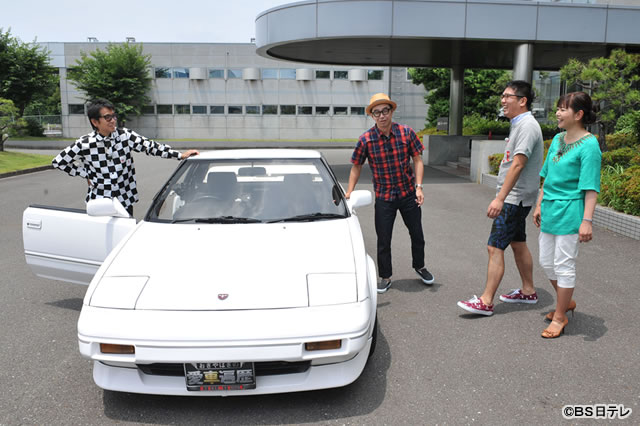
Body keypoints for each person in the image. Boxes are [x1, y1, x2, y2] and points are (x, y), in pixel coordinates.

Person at [457, 81, 544, 315]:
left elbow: (518, 164)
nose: (503, 100)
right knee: (518, 242)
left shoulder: (527, 126)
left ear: (522, 101)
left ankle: (486, 301)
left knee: (494, 247)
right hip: (518, 197)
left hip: (514, 198)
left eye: (507, 96)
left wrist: (500, 199)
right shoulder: (520, 124)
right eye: (502, 96)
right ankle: (528, 291)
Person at [346, 93, 434, 294]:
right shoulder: (366, 139)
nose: (382, 116)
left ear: (391, 111)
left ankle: (420, 266)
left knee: (417, 234)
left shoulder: (406, 133)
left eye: (385, 111)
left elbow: (417, 159)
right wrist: (349, 192)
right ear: (372, 116)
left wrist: (419, 187)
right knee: (383, 239)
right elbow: (356, 166)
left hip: (408, 194)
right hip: (384, 198)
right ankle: (385, 277)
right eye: (376, 112)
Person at [52, 99, 199, 216]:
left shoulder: (125, 136)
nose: (113, 120)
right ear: (95, 122)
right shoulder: (85, 143)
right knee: (101, 238)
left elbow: (150, 147)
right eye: (107, 117)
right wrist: (86, 174)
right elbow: (59, 162)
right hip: (100, 200)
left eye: (113, 116)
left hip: (125, 198)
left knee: (125, 236)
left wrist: (180, 155)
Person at [533, 92, 601, 338]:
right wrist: (539, 204)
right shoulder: (558, 139)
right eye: (558, 108)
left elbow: (591, 187)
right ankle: (567, 300)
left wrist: (587, 221)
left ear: (579, 114)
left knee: (564, 265)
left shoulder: (590, 145)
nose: (558, 113)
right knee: (546, 262)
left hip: (571, 211)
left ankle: (560, 316)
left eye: (563, 109)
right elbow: (547, 176)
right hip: (550, 209)